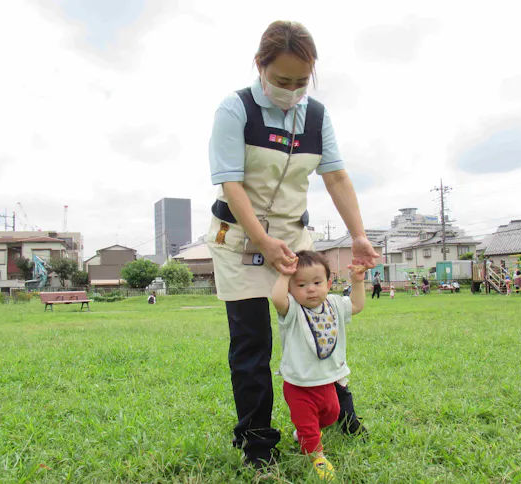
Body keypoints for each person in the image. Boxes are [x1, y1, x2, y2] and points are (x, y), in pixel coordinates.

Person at [206, 20, 379, 472]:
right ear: (260, 67)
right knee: (252, 343)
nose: (292, 90)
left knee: (321, 326)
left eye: (302, 82)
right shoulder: (235, 110)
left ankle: (342, 416)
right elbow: (230, 182)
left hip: (295, 239)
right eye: (282, 81)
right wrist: (262, 239)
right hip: (241, 240)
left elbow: (337, 176)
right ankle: (257, 440)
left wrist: (358, 234)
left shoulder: (316, 116)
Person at [272, 251, 366, 480]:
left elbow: (357, 304)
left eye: (317, 282)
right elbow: (276, 299)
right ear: (291, 290)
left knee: (332, 414)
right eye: (301, 284)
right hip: (299, 383)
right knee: (307, 423)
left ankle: (304, 434)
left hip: (327, 380)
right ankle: (317, 457)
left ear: (329, 283)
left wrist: (357, 281)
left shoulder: (334, 304)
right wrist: (284, 275)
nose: (311, 289)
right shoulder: (293, 309)